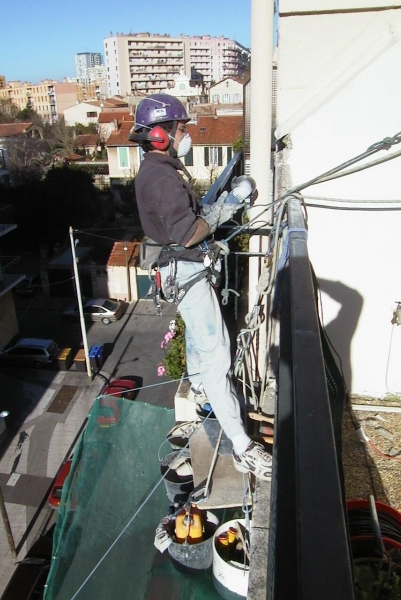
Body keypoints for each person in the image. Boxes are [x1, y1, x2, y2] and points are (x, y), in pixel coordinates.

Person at [129, 94, 272, 481]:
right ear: (160, 135)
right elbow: (189, 231)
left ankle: (205, 393)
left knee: (198, 343)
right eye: (181, 128)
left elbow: (189, 221)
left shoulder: (160, 169)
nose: (186, 133)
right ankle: (243, 447)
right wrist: (229, 205)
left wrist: (219, 205)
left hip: (184, 270)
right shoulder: (160, 177)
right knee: (216, 356)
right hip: (188, 274)